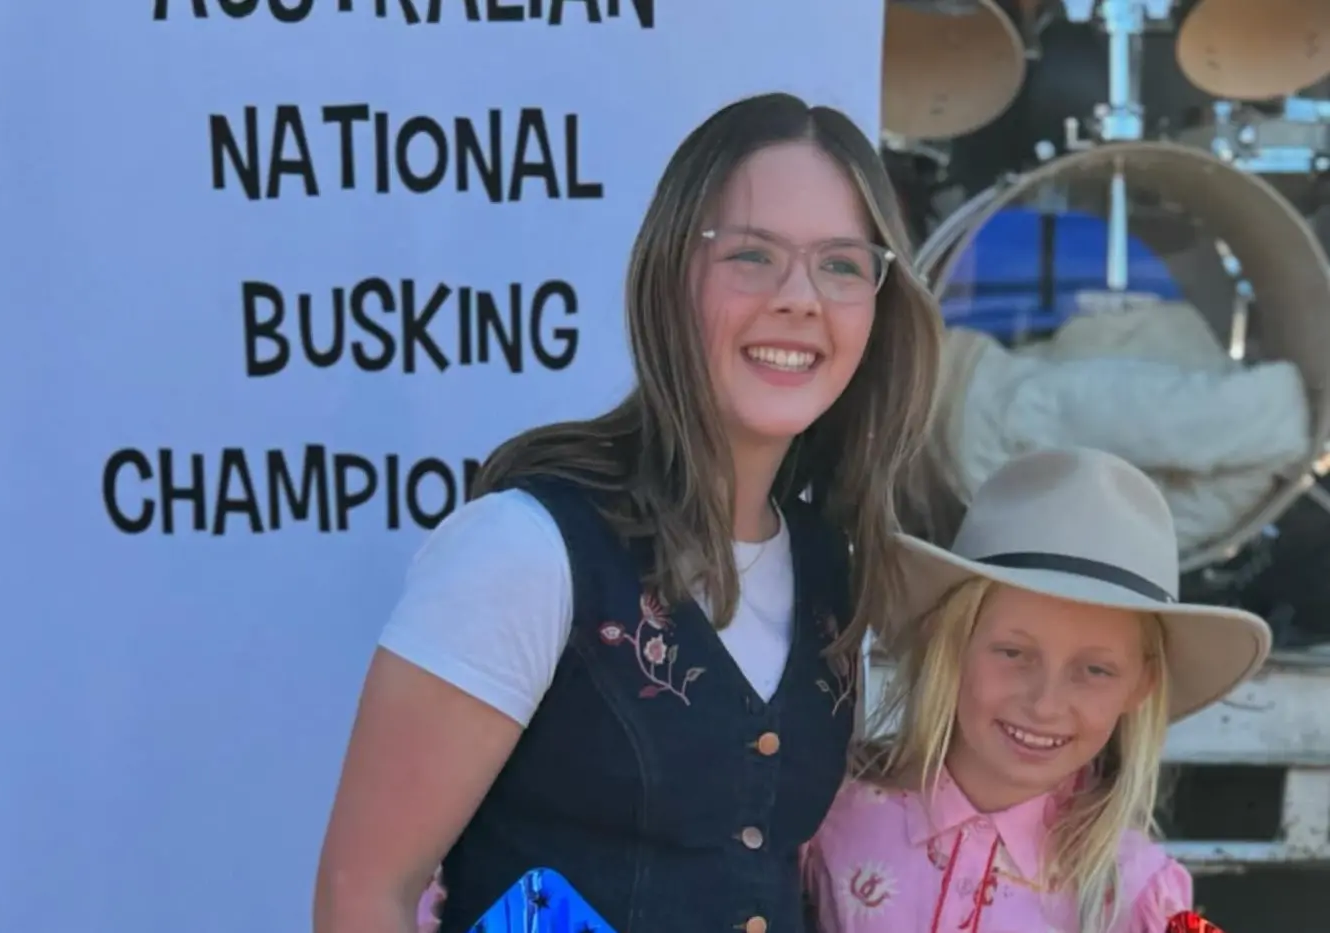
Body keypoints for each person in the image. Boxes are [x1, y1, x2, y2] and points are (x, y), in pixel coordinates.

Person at [312, 92, 945, 933]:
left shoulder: (834, 563)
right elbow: (362, 897)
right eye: (752, 256)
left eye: (841, 263)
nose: (802, 298)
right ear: (670, 275)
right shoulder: (526, 548)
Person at [804, 446, 1272, 933]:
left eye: (1095, 670)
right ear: (947, 646)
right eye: (1012, 653)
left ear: (1142, 684)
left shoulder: (1134, 891)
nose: (1045, 703)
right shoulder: (832, 817)